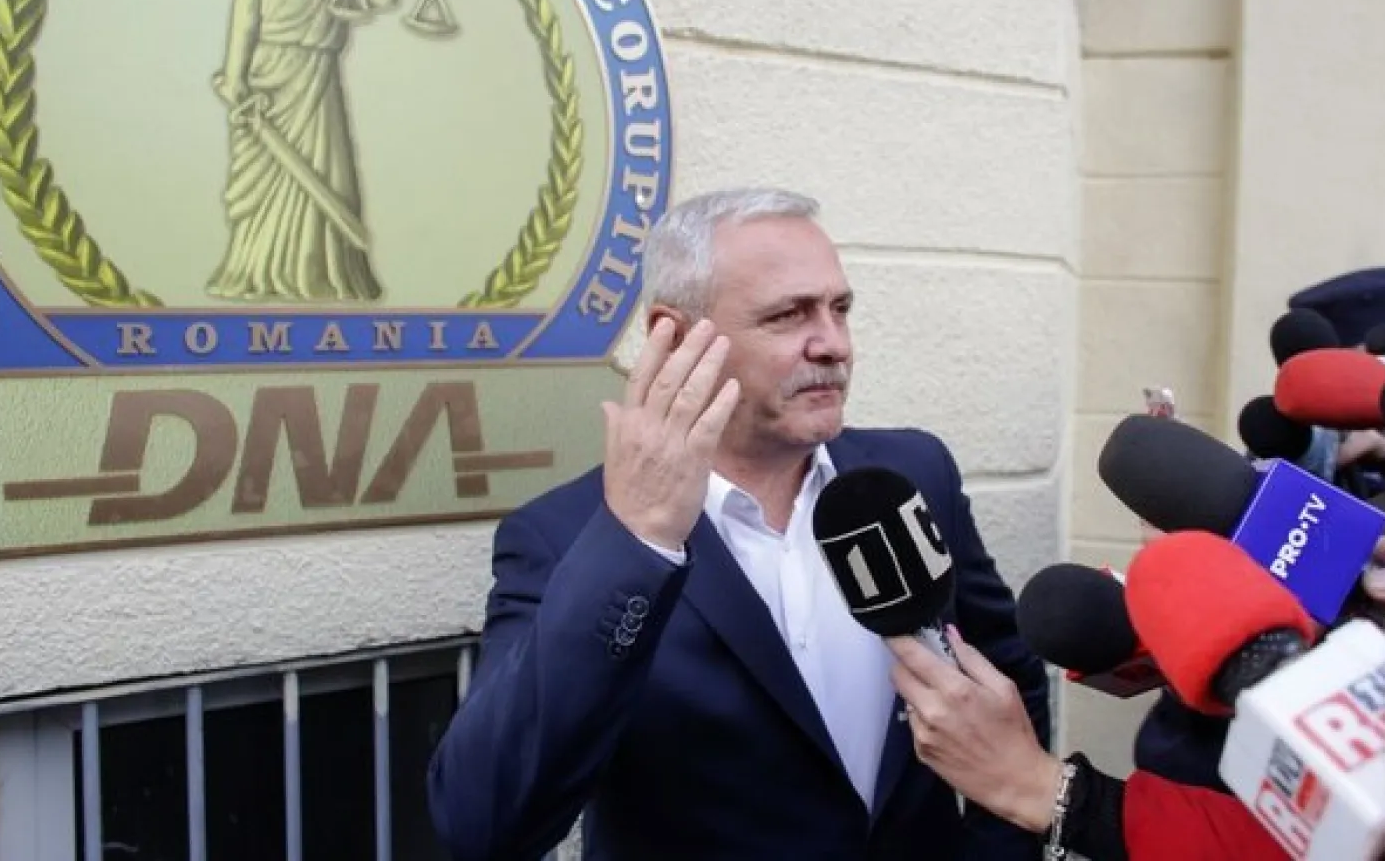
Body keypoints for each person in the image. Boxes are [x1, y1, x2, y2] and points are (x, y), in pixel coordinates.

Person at [425, 187, 1050, 860]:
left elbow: (1008, 679)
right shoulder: (565, 538)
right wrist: (639, 540)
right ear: (674, 335)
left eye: (839, 309)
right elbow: (482, 821)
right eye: (788, 315)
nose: (834, 345)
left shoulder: (914, 472)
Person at [208, 0, 401, 302]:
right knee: (268, 183)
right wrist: (236, 85)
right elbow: (242, 33)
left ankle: (329, 274)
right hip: (270, 89)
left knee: (330, 173)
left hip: (320, 87)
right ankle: (258, 270)